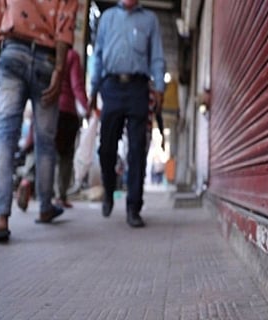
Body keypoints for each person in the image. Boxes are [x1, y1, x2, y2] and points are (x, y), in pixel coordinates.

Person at [0, 0, 79, 241]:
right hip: (47, 58)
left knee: (4, 133)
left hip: (11, 51)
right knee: (45, 141)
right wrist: (59, 70)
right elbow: (65, 25)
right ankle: (45, 207)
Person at [90, 0, 165, 228]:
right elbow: (98, 55)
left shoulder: (150, 20)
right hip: (111, 87)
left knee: (137, 150)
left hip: (138, 88)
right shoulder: (107, 18)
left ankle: (134, 207)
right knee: (106, 148)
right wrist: (93, 89)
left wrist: (160, 87)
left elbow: (157, 57)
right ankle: (109, 188)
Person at [55, 48, 90, 208]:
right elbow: (76, 84)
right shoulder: (72, 55)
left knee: (46, 152)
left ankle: (30, 181)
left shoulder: (49, 49)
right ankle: (60, 196)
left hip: (48, 109)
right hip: (67, 111)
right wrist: (86, 107)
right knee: (65, 155)